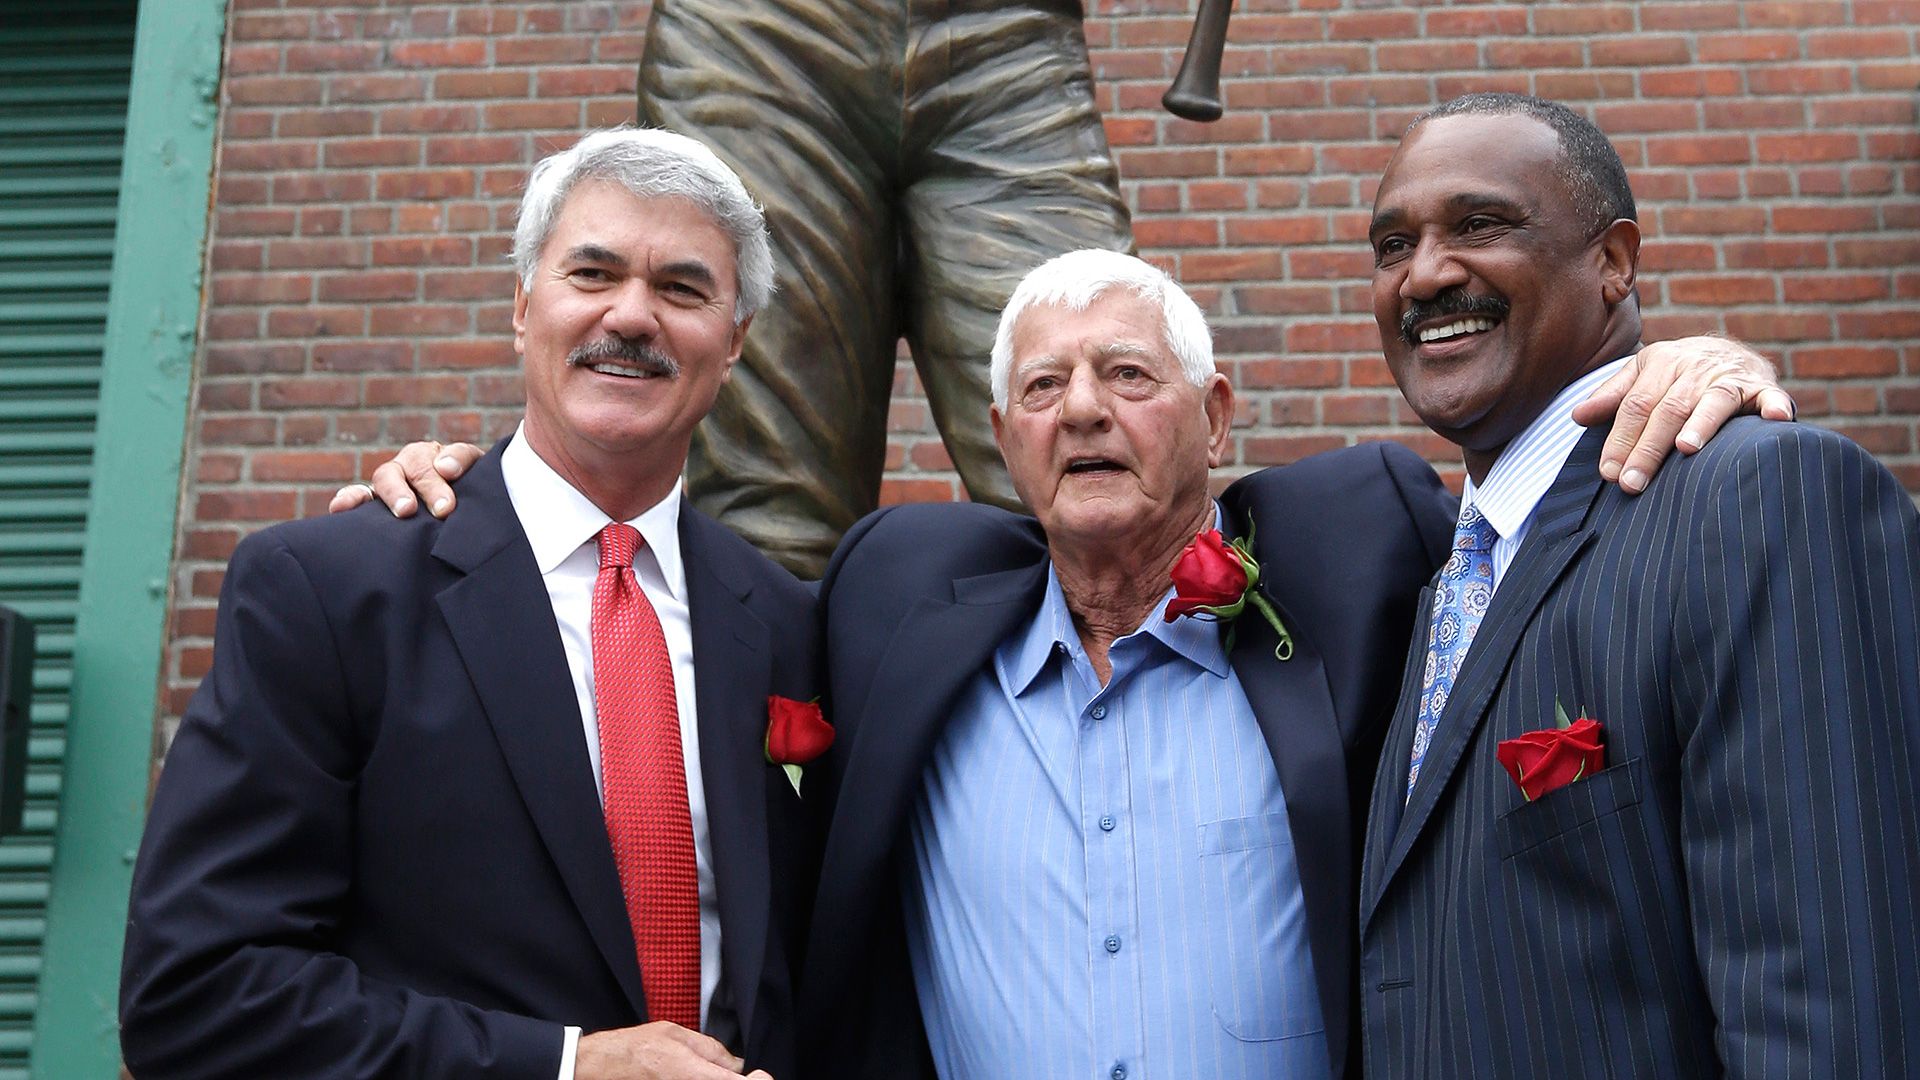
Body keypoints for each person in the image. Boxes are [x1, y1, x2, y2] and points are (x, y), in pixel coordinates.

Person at [348, 248, 1787, 1080]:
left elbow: (1534, 532)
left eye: (1129, 377)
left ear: (1217, 413)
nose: (1084, 411)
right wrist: (461, 506)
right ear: (1001, 437)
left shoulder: (1358, 548)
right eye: (1043, 387)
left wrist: (1684, 364)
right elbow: (660, 612)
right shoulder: (892, 599)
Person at [120, 129, 819, 1080]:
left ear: (734, 341)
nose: (634, 315)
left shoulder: (783, 623)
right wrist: (567, 1067)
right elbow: (196, 995)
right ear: (523, 306)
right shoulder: (331, 591)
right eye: (592, 273)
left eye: (684, 289)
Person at [1357, 93, 1920, 1080]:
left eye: (1480, 224)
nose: (1427, 274)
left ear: (1613, 263)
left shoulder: (1759, 499)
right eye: (1393, 244)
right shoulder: (1442, 588)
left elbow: (1832, 1001)